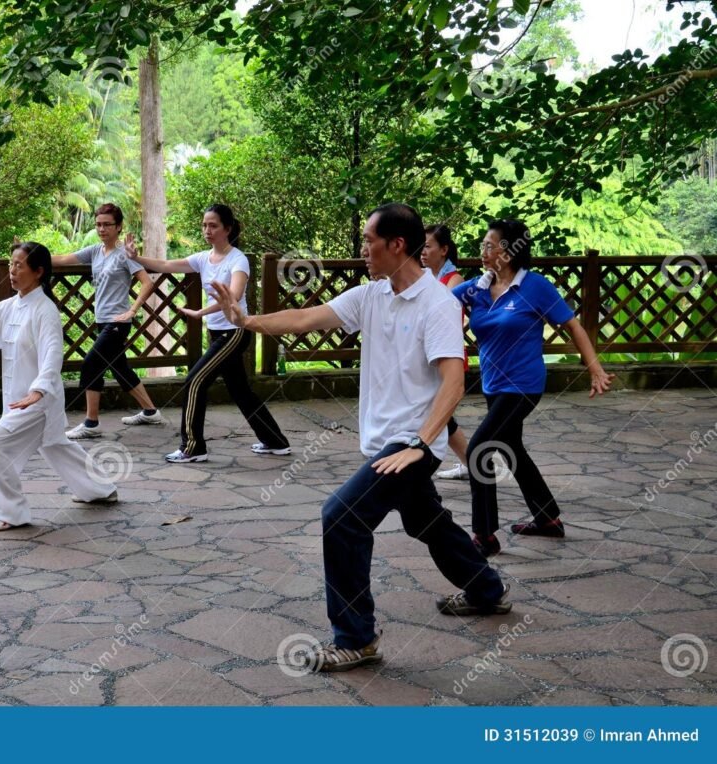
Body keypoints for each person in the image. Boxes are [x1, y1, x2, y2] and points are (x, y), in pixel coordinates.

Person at [212, 203, 510, 673]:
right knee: (425, 521)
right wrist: (248, 322)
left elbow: (453, 382)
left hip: (411, 445)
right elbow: (306, 317)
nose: (363, 248)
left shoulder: (439, 305)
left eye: (370, 240)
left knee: (342, 517)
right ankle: (488, 590)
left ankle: (356, 637)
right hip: (388, 444)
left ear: (397, 246)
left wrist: (420, 443)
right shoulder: (371, 296)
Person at [453, 219, 614, 557]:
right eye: (483, 246)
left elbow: (573, 326)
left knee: (480, 447)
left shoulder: (535, 287)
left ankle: (485, 535)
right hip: (493, 386)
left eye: (489, 245)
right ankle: (548, 519)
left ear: (508, 251)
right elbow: (437, 303)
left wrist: (595, 370)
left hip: (523, 385)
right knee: (513, 448)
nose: (482, 252)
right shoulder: (477, 288)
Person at [0, 241, 118, 532]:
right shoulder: (8, 307)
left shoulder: (45, 310)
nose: (11, 271)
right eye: (11, 264)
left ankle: (11, 513)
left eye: (19, 265)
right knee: (56, 446)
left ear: (38, 272)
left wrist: (39, 390)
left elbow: (53, 352)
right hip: (20, 400)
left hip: (38, 402)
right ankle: (101, 489)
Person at [125, 203, 290, 463]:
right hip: (217, 333)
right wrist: (136, 258)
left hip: (234, 332)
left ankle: (193, 447)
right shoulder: (203, 258)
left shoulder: (238, 260)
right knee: (240, 391)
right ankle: (275, 441)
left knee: (193, 381)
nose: (207, 230)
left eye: (213, 225)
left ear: (228, 228)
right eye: (204, 225)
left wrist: (199, 313)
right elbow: (167, 264)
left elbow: (233, 297)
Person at [50, 203, 164, 440]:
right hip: (103, 321)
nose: (102, 229)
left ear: (119, 227)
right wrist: (30, 254)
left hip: (117, 322)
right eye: (98, 224)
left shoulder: (125, 254)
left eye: (107, 224)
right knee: (120, 368)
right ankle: (151, 411)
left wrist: (132, 310)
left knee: (91, 365)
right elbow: (62, 259)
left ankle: (91, 423)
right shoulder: (94, 251)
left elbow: (147, 282)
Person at [422, 224, 471, 481]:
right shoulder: (423, 277)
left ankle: (421, 464)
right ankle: (472, 463)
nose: (422, 251)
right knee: (441, 414)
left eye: (428, 246)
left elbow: (445, 318)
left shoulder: (454, 280)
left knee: (439, 413)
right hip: (428, 355)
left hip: (446, 356)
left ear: (444, 250)